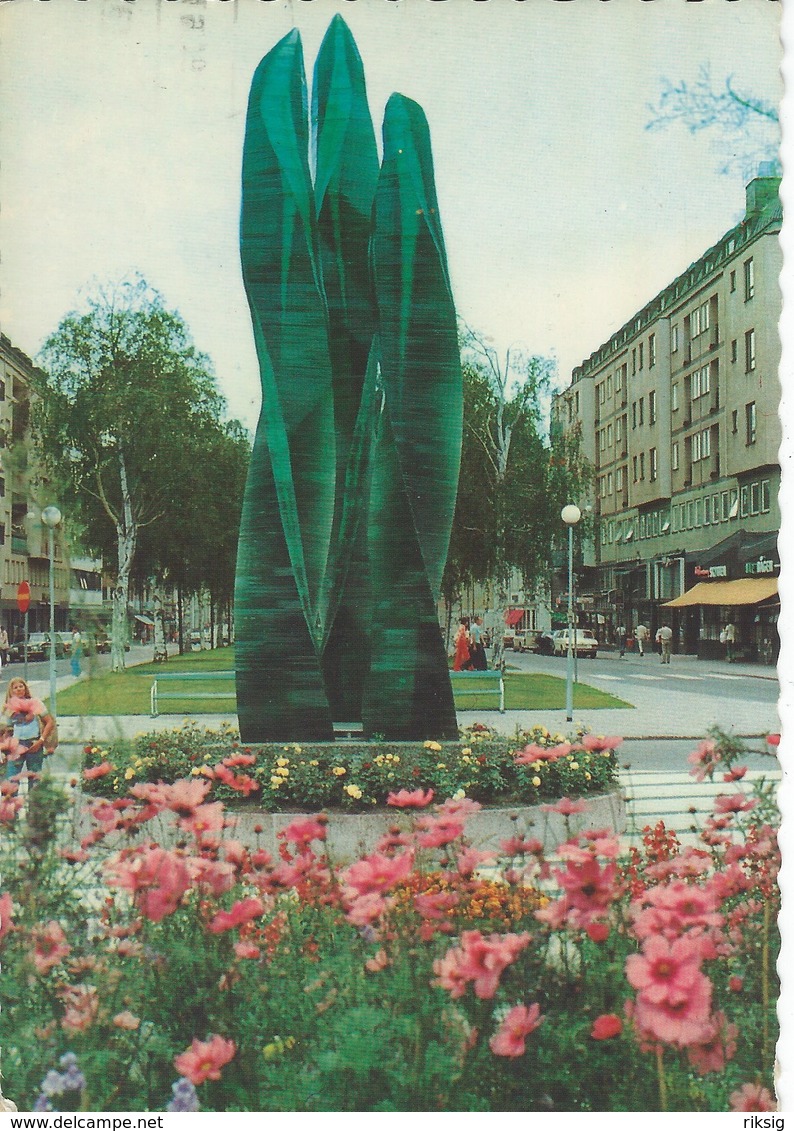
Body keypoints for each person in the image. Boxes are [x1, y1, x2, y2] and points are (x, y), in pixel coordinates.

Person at [2, 677, 56, 783]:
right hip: (16, 745)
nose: (18, 689)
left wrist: (41, 741)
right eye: (15, 687)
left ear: (25, 688)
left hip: (33, 743)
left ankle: (33, 799)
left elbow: (50, 722)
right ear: (11, 691)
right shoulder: (8, 707)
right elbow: (6, 729)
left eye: (21, 686)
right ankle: (12, 799)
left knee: (35, 778)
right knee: (11, 778)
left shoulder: (35, 702)